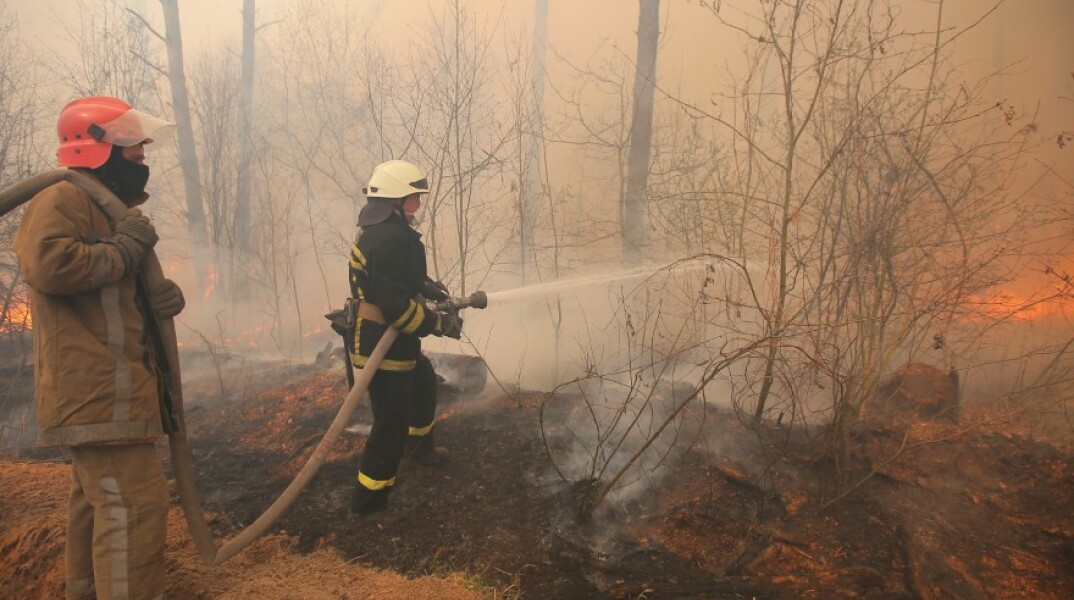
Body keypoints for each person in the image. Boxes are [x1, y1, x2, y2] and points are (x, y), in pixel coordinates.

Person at [14, 96, 184, 599]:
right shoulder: (62, 199)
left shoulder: (103, 207)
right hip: (95, 390)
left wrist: (157, 300)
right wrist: (127, 248)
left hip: (113, 389)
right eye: (133, 151)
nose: (143, 161)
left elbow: (110, 295)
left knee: (99, 502)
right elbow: (50, 266)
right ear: (95, 149)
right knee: (134, 506)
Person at [347, 159, 461, 516]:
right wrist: (440, 325)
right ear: (395, 201)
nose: (418, 205)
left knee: (424, 382)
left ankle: (420, 450)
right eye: (413, 198)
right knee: (390, 423)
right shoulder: (389, 239)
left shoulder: (383, 230)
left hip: (390, 337)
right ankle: (369, 501)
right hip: (381, 342)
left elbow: (391, 280)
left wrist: (427, 288)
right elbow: (398, 308)